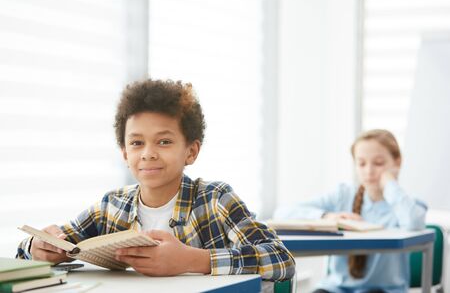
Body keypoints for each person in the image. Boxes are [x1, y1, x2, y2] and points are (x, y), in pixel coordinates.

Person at [17, 79, 295, 281]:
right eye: (137, 143)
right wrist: (39, 248)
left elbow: (281, 259)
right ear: (125, 153)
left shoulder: (215, 199)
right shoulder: (111, 206)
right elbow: (48, 248)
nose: (148, 154)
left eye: (164, 141)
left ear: (191, 151)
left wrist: (194, 260)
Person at [274, 129, 427, 293]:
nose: (369, 171)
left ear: (397, 162)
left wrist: (390, 184)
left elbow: (413, 221)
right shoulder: (343, 195)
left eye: (378, 163)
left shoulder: (407, 204)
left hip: (383, 290)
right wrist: (327, 216)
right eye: (362, 163)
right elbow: (282, 213)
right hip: (337, 288)